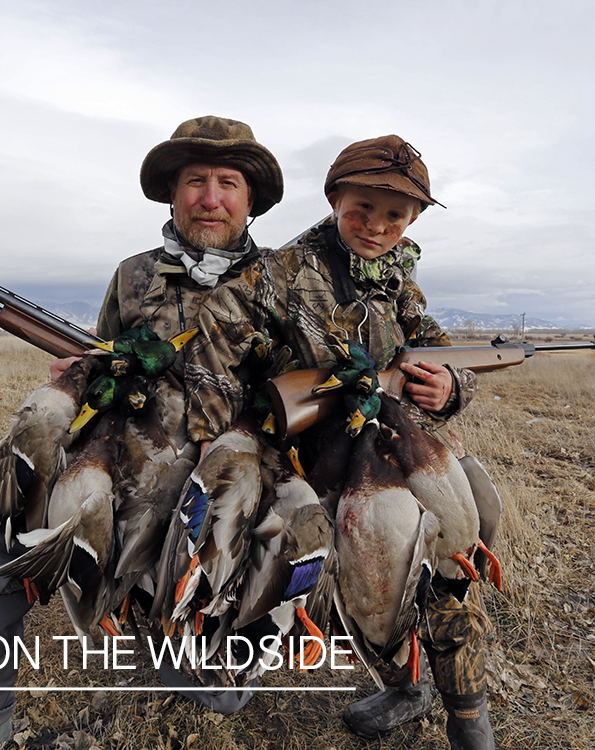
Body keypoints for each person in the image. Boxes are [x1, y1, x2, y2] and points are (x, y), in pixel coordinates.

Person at [0, 115, 283, 750]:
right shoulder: (133, 274)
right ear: (173, 192)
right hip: (118, 457)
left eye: (227, 182)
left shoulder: (281, 282)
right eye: (194, 181)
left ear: (249, 198)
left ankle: (196, 652)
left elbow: (306, 391)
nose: (209, 197)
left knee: (210, 670)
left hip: (218, 475)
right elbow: (105, 357)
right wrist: (82, 374)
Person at [184, 135, 495, 749]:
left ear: (413, 222)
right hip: (314, 455)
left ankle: (465, 719)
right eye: (362, 209)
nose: (377, 227)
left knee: (453, 563)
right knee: (365, 572)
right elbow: (214, 355)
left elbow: (436, 351)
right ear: (333, 200)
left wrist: (451, 387)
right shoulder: (279, 274)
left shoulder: (398, 280)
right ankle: (393, 682)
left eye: (395, 216)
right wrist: (215, 436)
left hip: (398, 441)